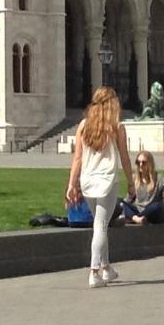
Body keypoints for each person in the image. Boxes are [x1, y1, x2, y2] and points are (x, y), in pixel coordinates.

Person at [67, 86, 134, 288]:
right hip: (106, 181)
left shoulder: (83, 126)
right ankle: (94, 270)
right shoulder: (116, 127)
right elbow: (124, 157)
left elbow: (77, 158)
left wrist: (72, 183)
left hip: (87, 181)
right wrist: (131, 182)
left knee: (99, 222)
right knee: (101, 225)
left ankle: (106, 268)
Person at [120, 150, 164, 225]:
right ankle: (137, 219)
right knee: (119, 202)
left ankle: (132, 218)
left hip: (153, 213)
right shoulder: (134, 179)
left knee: (158, 205)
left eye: (144, 162)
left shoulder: (158, 179)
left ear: (150, 164)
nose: (140, 165)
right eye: (138, 162)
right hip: (138, 211)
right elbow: (128, 199)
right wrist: (123, 205)